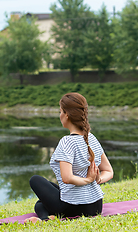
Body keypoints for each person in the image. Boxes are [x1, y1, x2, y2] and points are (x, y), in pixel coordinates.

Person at [25, 92, 114, 223]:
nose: (60, 115)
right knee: (40, 203)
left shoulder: (67, 142)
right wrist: (98, 178)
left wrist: (89, 179)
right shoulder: (91, 137)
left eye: (60, 111)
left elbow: (67, 178)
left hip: (74, 207)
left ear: (66, 114)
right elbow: (109, 171)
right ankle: (46, 218)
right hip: (96, 206)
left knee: (35, 180)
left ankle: (45, 220)